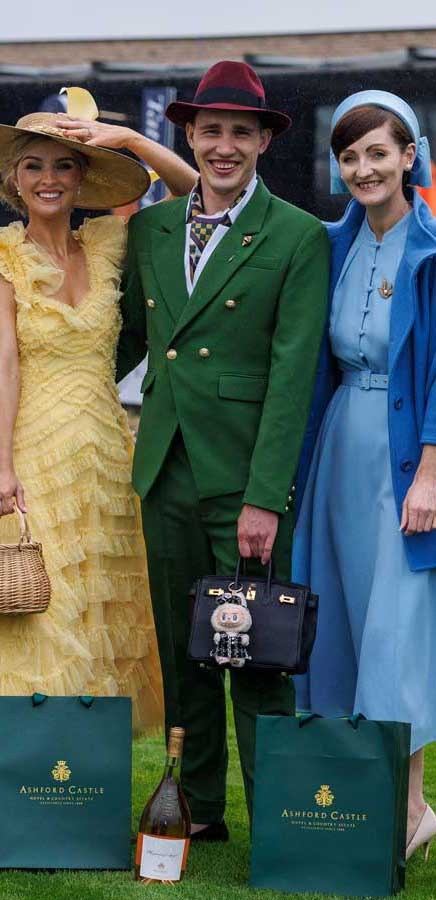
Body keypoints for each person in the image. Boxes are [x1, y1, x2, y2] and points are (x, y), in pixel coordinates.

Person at [73, 61, 330, 837]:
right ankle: (197, 809)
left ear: (262, 142)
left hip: (245, 477)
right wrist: (51, 381)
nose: (224, 146)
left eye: (240, 133)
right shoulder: (152, 229)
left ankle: (282, 821)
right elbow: (127, 341)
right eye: (211, 131)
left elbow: (292, 377)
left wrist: (265, 498)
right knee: (184, 652)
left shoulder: (298, 235)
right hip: (164, 471)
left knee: (258, 654)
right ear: (189, 135)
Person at [0, 88, 196, 726]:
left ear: (84, 178)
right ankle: (21, 773)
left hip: (106, 454)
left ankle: (80, 774)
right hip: (29, 454)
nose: (48, 179)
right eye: (33, 165)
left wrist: (131, 142)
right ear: (12, 179)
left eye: (63, 165)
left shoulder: (110, 245)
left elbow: (196, 198)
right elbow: (2, 368)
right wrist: (2, 469)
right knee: (35, 609)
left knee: (95, 609)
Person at [293, 91, 436, 859]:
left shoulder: (432, 252)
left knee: (396, 635)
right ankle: (353, 803)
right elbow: (221, 202)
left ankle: (411, 808)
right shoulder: (329, 243)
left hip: (407, 461)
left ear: (410, 156)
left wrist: (431, 477)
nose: (363, 169)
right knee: (342, 629)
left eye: (378, 153)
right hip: (339, 451)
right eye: (349, 157)